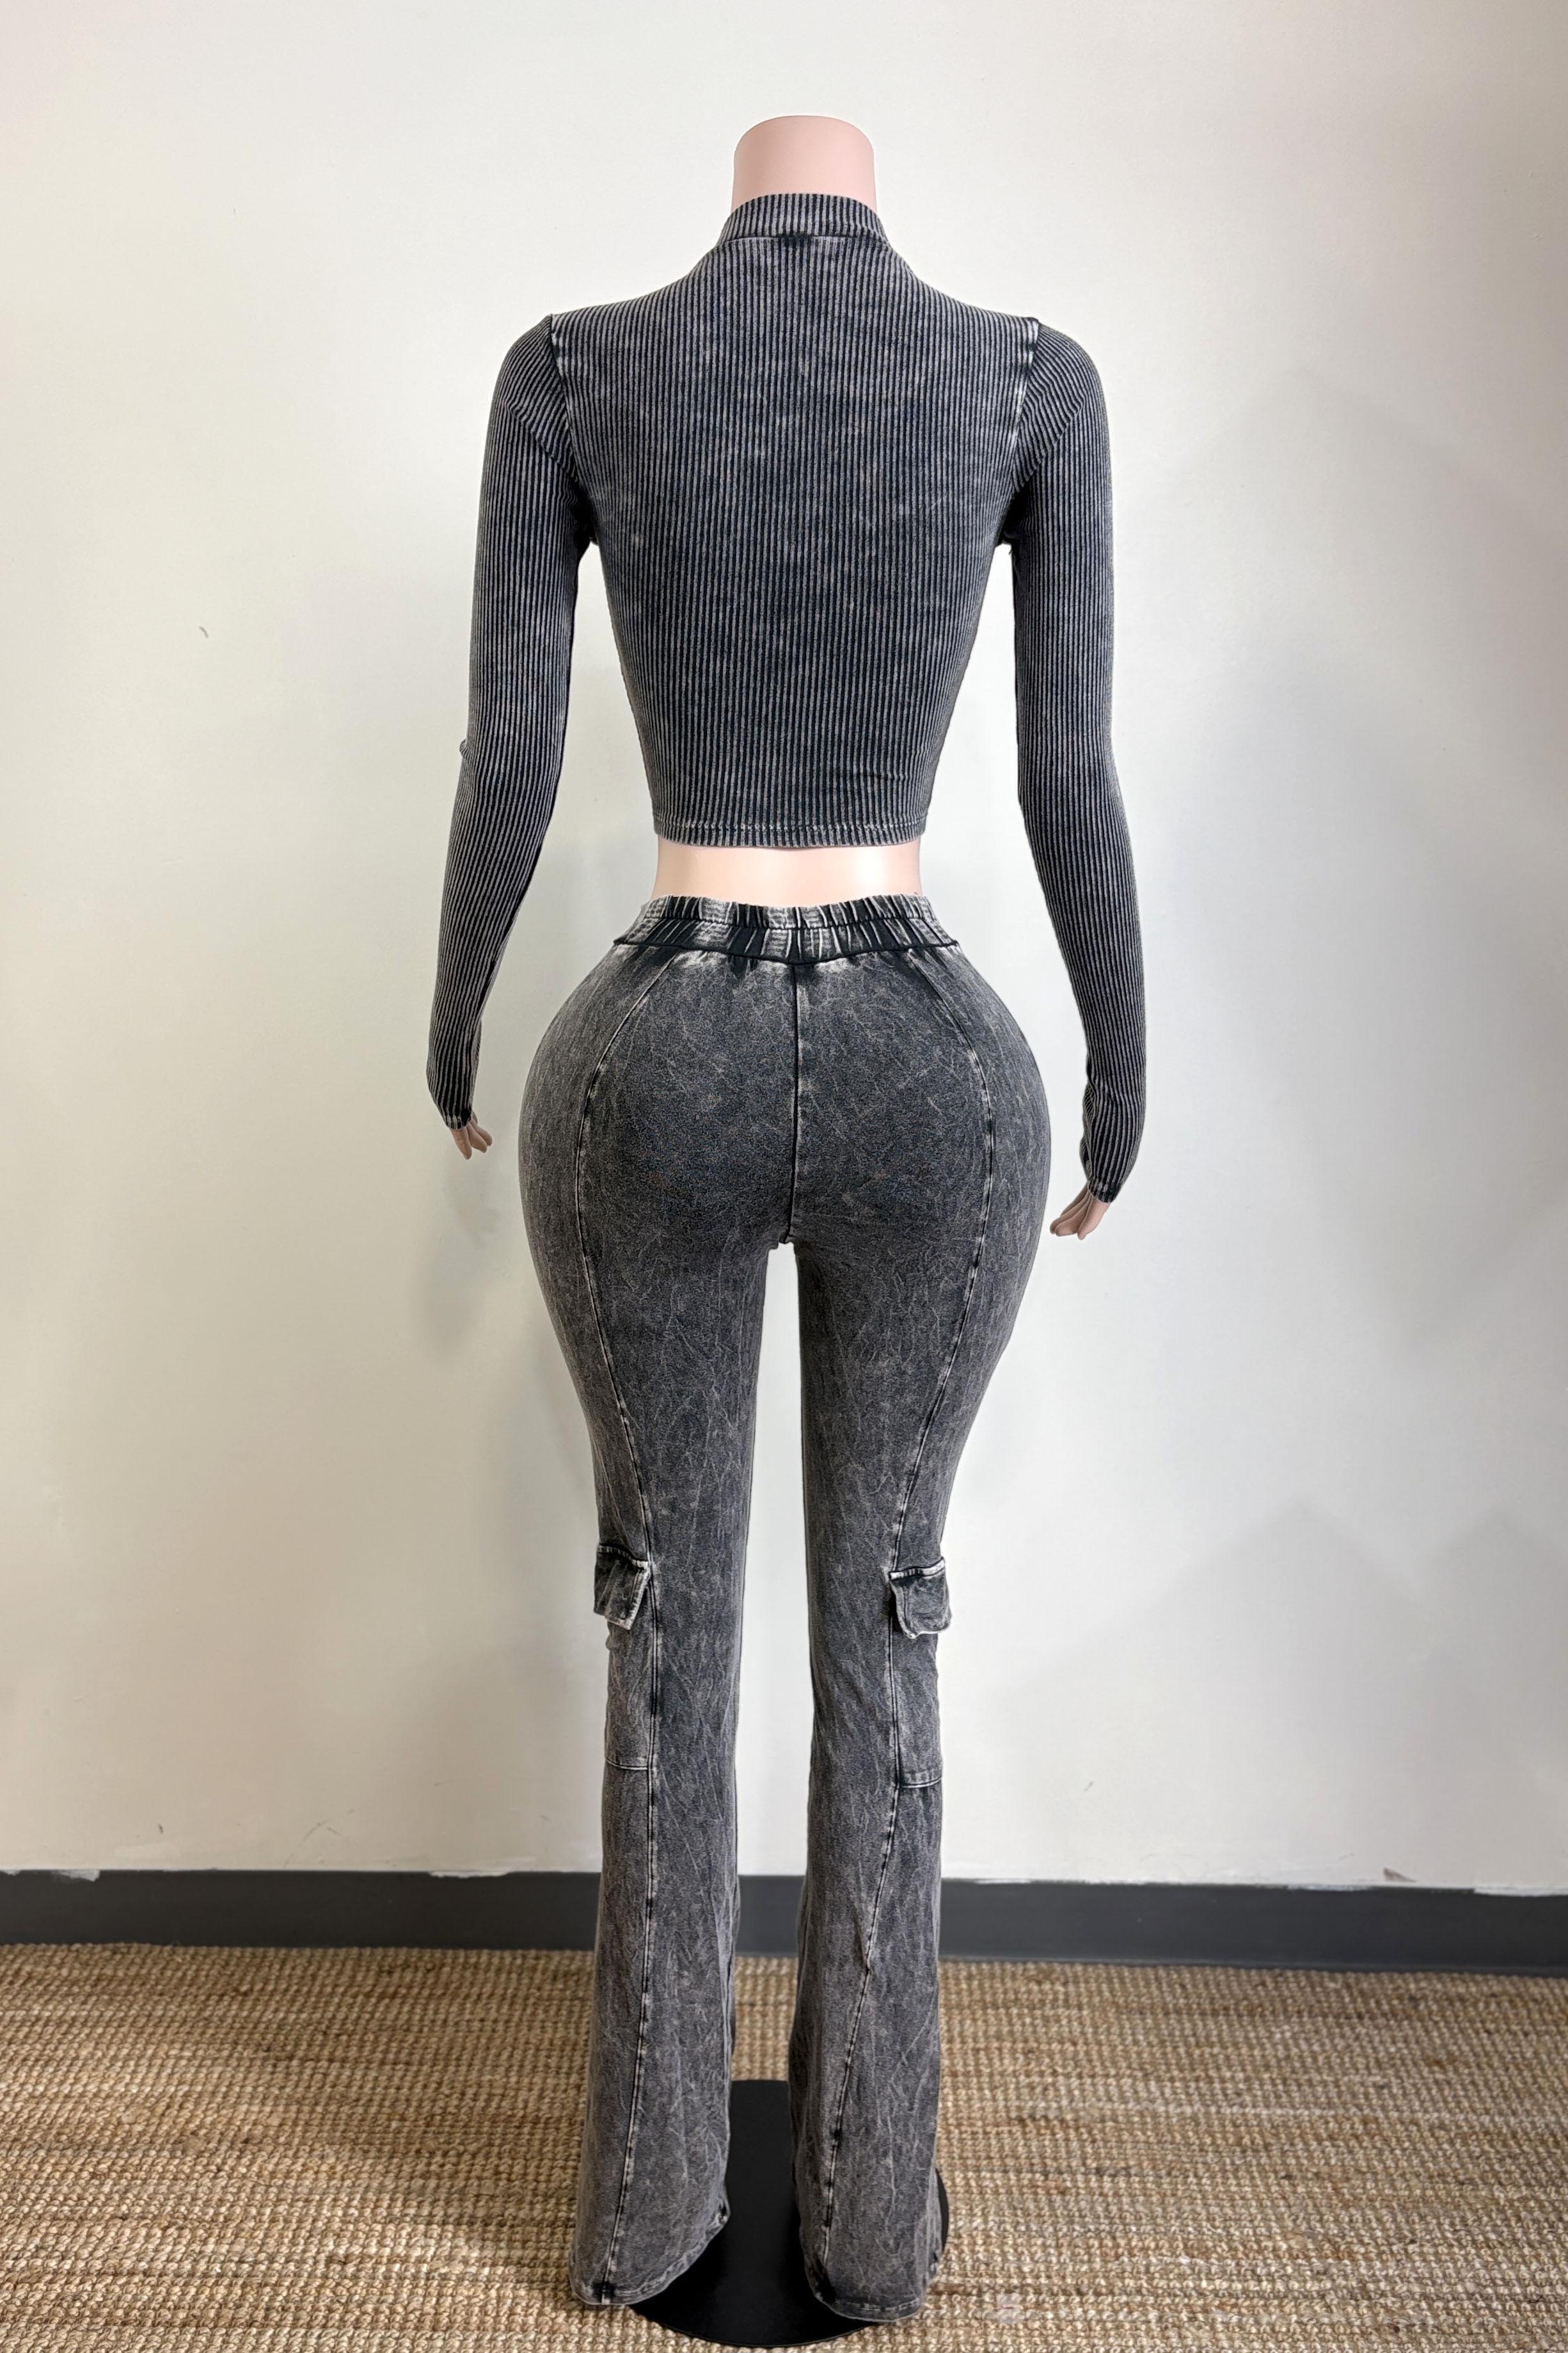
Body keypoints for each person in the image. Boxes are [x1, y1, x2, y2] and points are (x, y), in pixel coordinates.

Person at [426, 116, 1146, 2327]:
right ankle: (866, 2220)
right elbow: (1063, 771)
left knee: (660, 1619)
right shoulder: (1023, 378)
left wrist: (451, 1019)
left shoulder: (574, 367)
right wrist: (1119, 1071)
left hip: (656, 1045)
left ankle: (649, 2214)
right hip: (937, 1061)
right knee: (890, 1624)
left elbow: (509, 750)